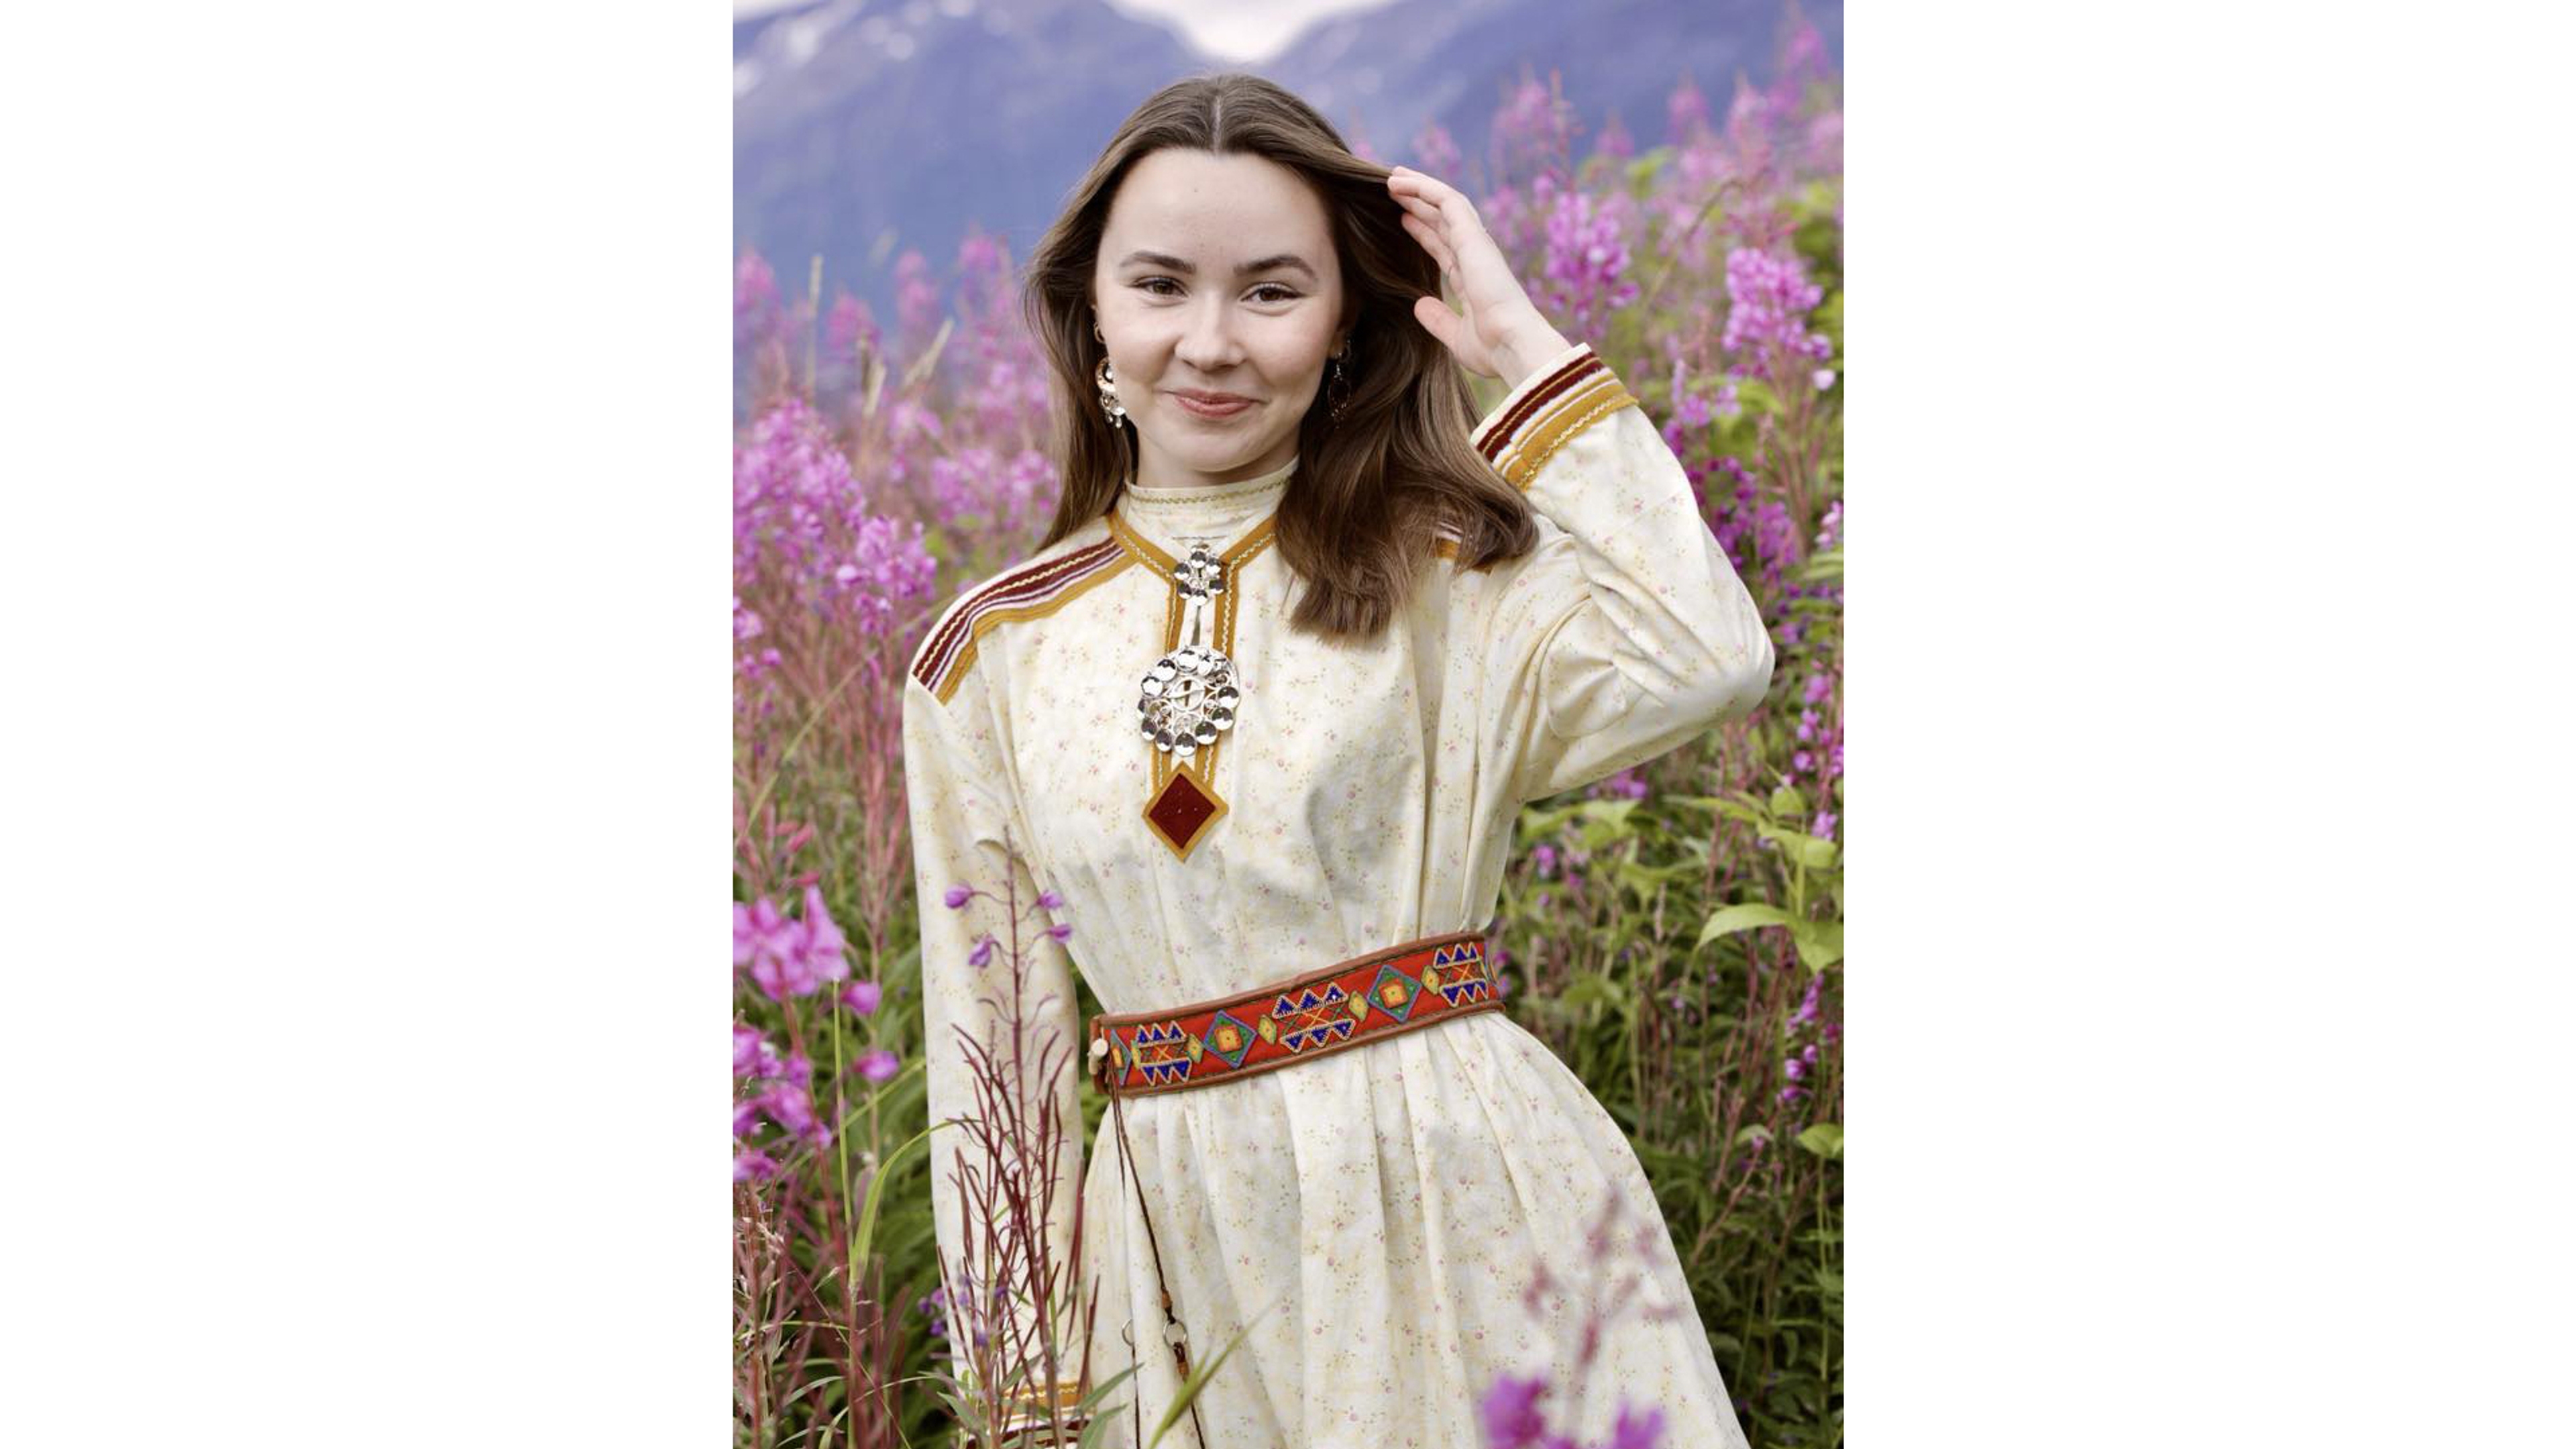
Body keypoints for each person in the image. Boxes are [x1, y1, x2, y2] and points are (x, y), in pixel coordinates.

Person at [902, 72, 1774, 1449]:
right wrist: (1028, 1394)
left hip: (1469, 1202)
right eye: (1161, 285)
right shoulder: (989, 655)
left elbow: (1706, 656)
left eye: (1270, 290)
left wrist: (1519, 344)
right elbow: (994, 1061)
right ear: (1092, 320)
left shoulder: (1446, 570)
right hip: (1175, 1263)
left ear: (1347, 323)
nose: (1210, 342)